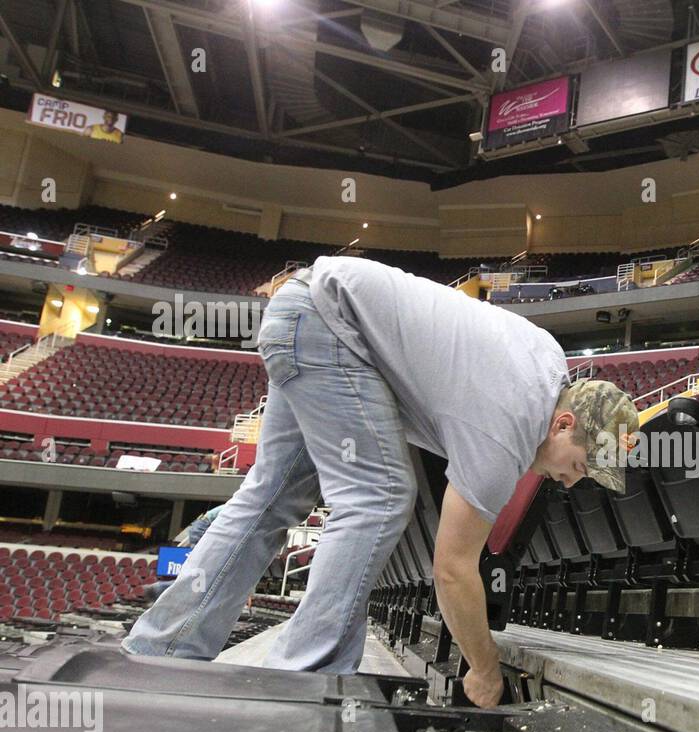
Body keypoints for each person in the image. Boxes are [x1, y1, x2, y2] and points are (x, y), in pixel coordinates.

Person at [121, 256, 638, 707]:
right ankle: (302, 679)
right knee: (380, 495)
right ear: (564, 425)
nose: (573, 481)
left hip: (302, 313)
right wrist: (484, 668)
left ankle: (161, 651)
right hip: (330, 327)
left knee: (271, 498)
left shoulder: (547, 364)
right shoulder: (510, 429)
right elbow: (453, 571)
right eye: (583, 464)